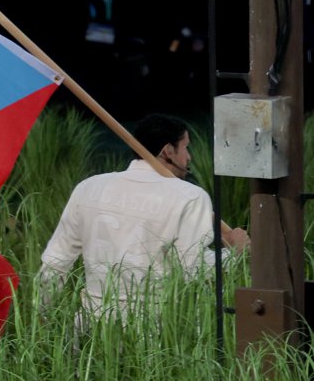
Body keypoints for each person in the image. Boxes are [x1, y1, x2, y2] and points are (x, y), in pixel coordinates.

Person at [39, 113, 249, 315]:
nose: (189, 157)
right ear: (168, 151)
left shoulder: (89, 187)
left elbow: (56, 262)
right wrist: (235, 254)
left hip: (89, 332)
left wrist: (42, 316)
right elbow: (194, 270)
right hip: (155, 334)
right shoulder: (191, 197)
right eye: (185, 148)